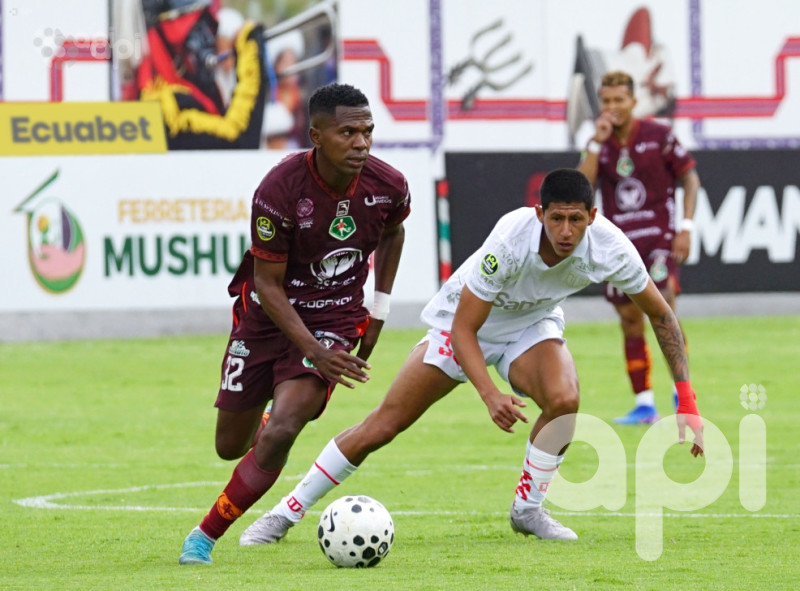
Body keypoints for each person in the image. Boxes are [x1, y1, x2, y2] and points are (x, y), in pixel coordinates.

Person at [237, 168, 704, 548]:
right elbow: (464, 329)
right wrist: (490, 394)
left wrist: (686, 401)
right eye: (556, 218)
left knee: (565, 399)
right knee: (383, 426)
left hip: (529, 326)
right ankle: (282, 515)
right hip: (460, 326)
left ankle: (528, 511)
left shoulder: (611, 247)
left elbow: (662, 318)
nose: (566, 231)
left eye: (576, 220)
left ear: (592, 216)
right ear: (539, 213)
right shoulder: (510, 240)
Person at [178, 82, 411, 565]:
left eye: (367, 131)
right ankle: (266, 412)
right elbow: (267, 283)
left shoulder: (388, 185)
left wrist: (378, 312)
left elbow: (394, 230)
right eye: (348, 132)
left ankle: (203, 537)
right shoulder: (279, 190)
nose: (361, 142)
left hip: (337, 314)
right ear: (316, 135)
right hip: (269, 316)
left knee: (284, 429)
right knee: (230, 445)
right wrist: (315, 349)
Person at [577, 70, 700, 425]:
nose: (612, 107)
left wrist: (686, 228)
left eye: (619, 100)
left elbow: (690, 178)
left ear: (634, 101)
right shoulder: (598, 143)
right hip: (618, 245)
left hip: (659, 239)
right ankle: (645, 404)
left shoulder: (659, 136)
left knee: (664, 305)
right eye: (606, 101)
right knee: (630, 320)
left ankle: (683, 393)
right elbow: (581, 189)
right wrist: (596, 143)